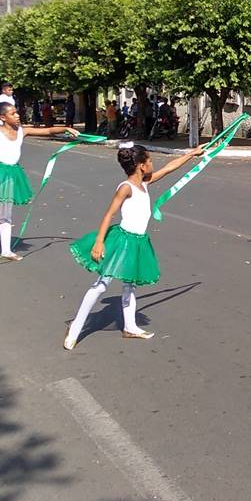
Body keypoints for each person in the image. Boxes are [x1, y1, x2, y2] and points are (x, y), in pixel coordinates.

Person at [64, 143, 202, 349]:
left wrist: (192, 154)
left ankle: (130, 327)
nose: (153, 164)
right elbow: (109, 214)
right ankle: (76, 327)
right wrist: (99, 242)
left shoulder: (145, 182)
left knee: (130, 285)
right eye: (150, 161)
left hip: (137, 241)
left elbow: (169, 168)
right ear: (141, 166)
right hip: (121, 241)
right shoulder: (126, 187)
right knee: (101, 285)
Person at [0, 103, 79, 265]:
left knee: (5, 214)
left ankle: (6, 250)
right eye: (13, 113)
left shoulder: (22, 131)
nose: (17, 115)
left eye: (16, 112)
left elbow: (48, 131)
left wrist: (66, 128)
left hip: (10, 175)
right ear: (3, 117)